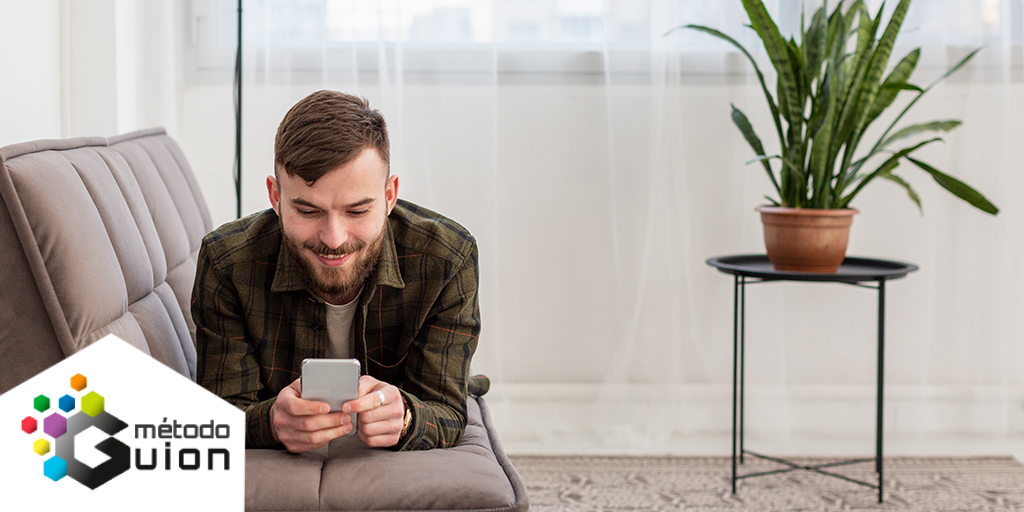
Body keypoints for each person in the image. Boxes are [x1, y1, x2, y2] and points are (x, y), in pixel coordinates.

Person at [192, 90, 484, 452]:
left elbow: (447, 411)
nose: (334, 239)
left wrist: (407, 416)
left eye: (358, 211)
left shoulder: (446, 258)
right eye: (308, 211)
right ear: (275, 197)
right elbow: (220, 417)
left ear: (390, 195)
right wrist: (270, 422)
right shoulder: (227, 263)